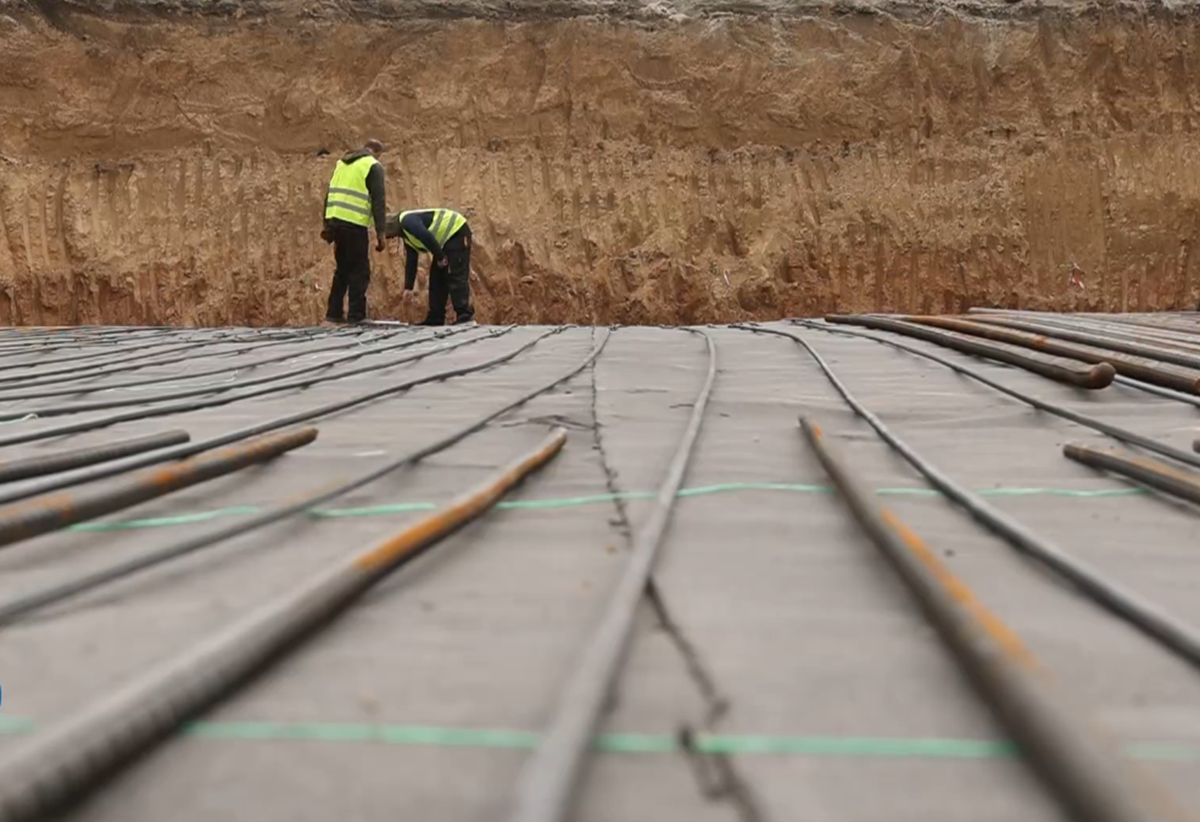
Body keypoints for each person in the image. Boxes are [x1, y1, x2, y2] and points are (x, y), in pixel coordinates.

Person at [321, 139, 387, 324]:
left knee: (342, 270)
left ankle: (333, 314)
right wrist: (381, 233)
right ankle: (356, 316)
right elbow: (378, 202)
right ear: (376, 152)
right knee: (360, 270)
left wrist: (326, 225)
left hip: (336, 222)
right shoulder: (373, 166)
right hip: (354, 224)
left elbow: (329, 195)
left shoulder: (342, 164)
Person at [387, 208, 475, 326]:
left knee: (454, 273)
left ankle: (464, 315)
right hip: (445, 242)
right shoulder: (407, 235)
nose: (390, 238)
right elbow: (411, 260)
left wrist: (440, 257)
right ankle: (436, 317)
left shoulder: (407, 221)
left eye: (387, 234)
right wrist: (408, 287)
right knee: (437, 279)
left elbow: (425, 236)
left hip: (456, 233)